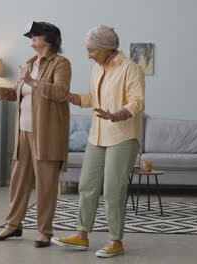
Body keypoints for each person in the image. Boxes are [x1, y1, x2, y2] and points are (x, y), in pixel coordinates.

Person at [51, 25, 145, 258]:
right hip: (97, 135)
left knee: (113, 190)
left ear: (105, 48)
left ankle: (115, 240)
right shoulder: (97, 69)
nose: (89, 55)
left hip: (122, 136)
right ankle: (81, 236)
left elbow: (137, 101)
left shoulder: (130, 68)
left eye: (91, 50)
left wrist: (116, 114)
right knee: (87, 185)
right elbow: (92, 98)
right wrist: (71, 97)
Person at [0, 21, 71, 248]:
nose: (32, 38)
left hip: (47, 135)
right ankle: (13, 225)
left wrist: (33, 81)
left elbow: (61, 92)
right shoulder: (30, 63)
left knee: (46, 185)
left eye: (36, 35)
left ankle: (44, 232)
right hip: (23, 134)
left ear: (48, 38)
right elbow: (15, 93)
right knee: (18, 182)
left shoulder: (61, 63)